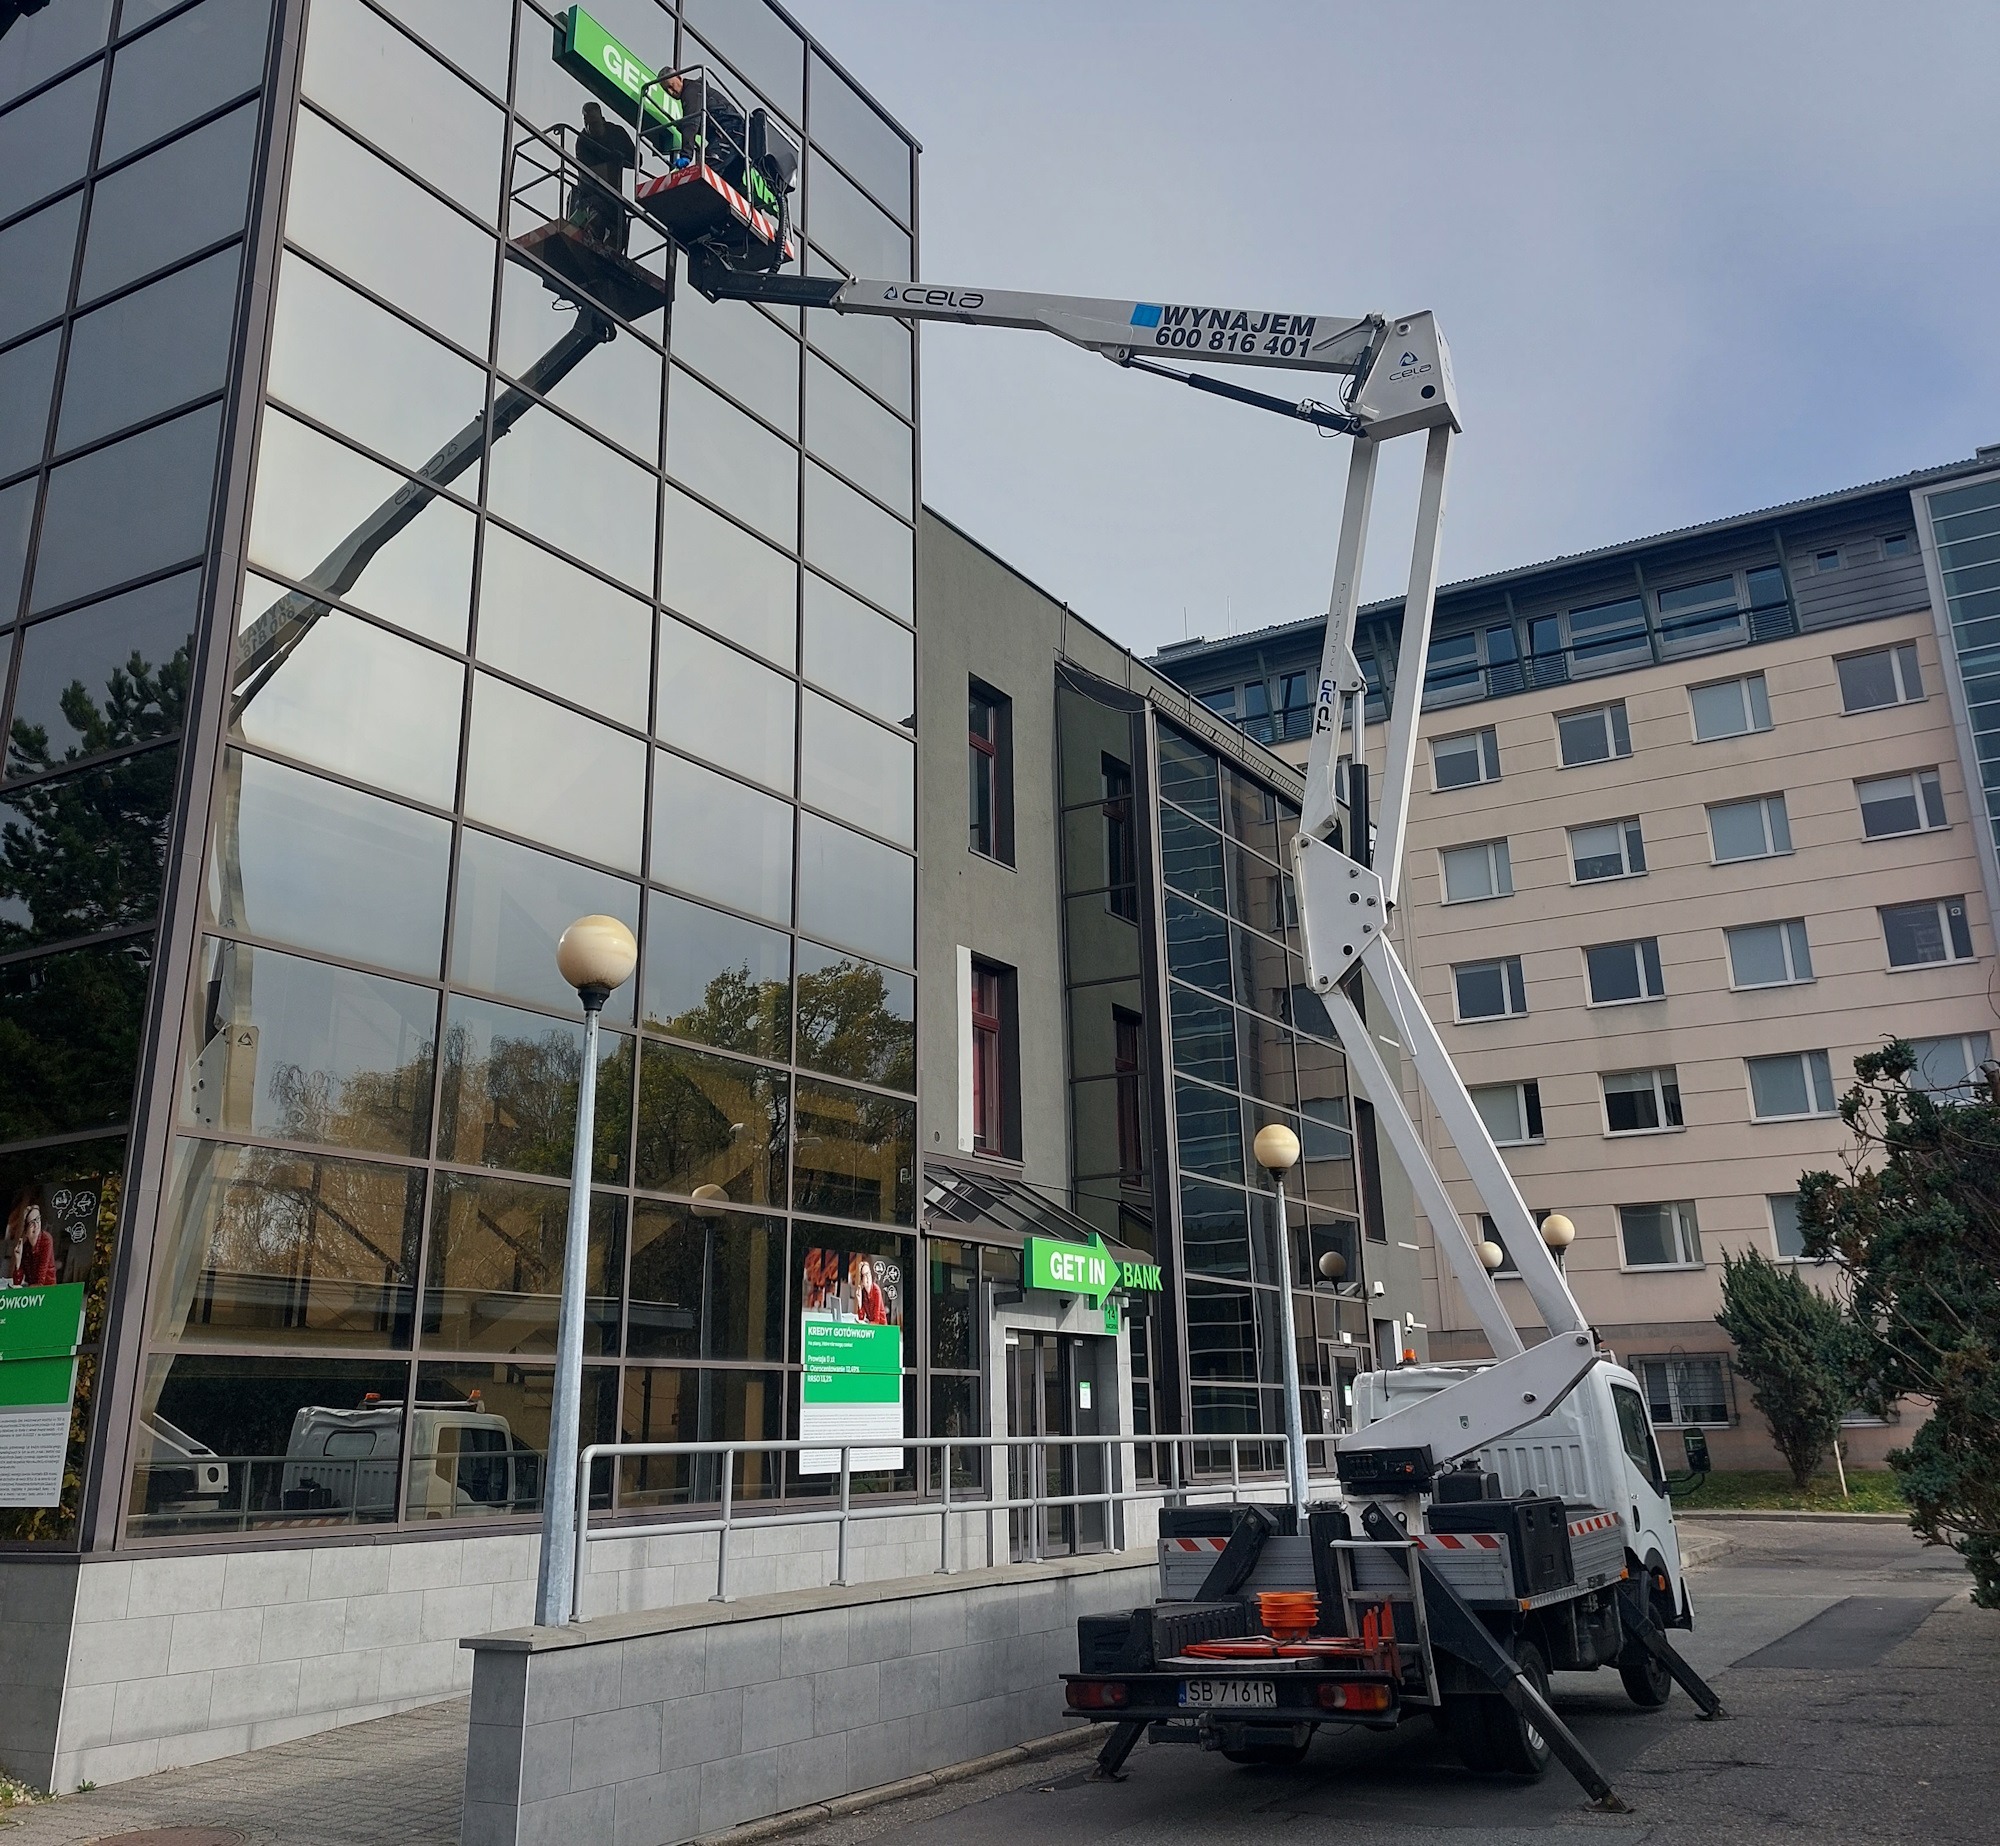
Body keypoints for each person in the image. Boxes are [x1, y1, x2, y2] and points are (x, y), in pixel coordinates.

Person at [568, 101, 635, 252]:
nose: (591, 127)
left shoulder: (617, 133)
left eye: (595, 123)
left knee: (619, 226)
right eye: (588, 123)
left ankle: (612, 250)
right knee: (592, 214)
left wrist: (621, 158)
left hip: (612, 192)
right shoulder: (582, 140)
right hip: (591, 191)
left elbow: (637, 161)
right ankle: (585, 239)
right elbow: (585, 171)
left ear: (602, 119)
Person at [14, 1202, 57, 1286]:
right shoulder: (26, 1247)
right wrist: (18, 1261)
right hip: (32, 1289)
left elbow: (41, 1279)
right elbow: (17, 1282)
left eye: (38, 1219)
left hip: (48, 1288)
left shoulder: (46, 1239)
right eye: (31, 1223)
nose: (36, 1225)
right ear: (25, 1231)